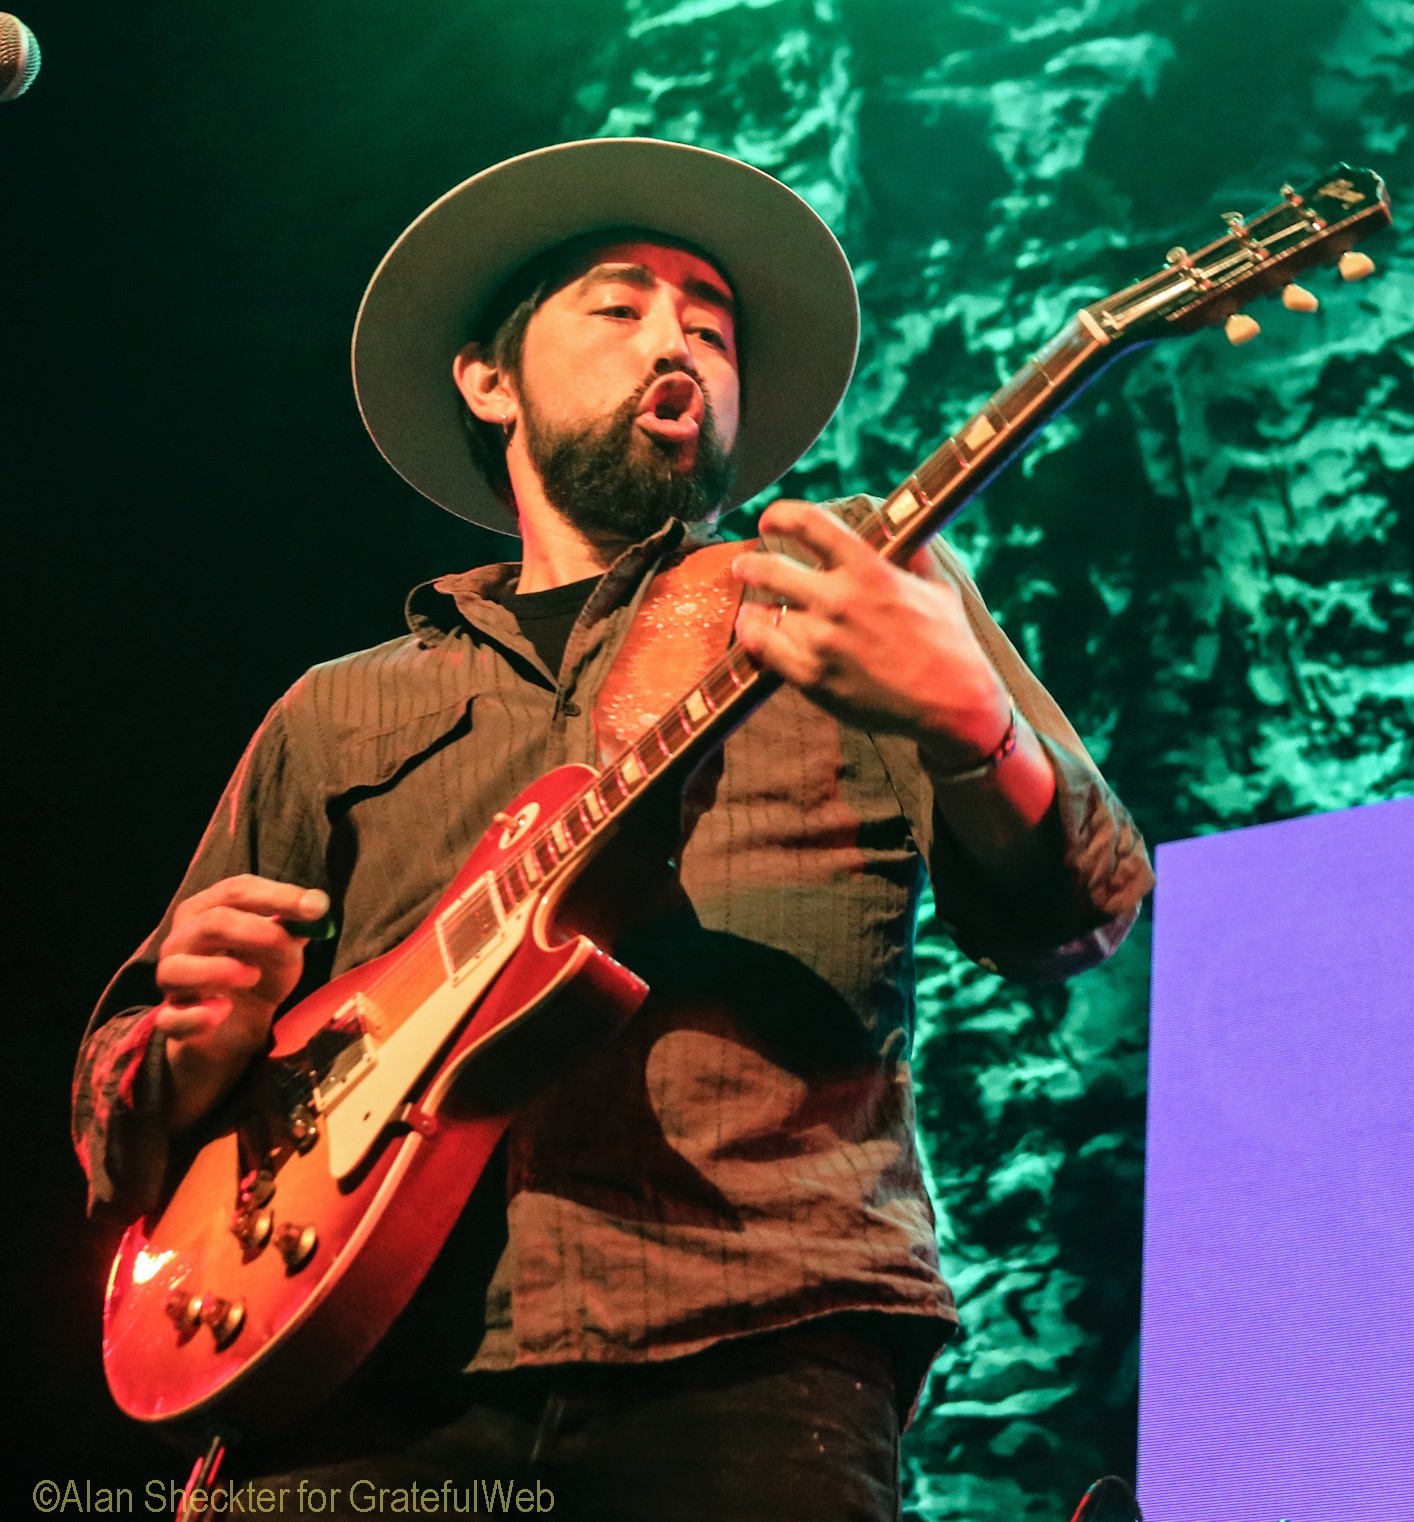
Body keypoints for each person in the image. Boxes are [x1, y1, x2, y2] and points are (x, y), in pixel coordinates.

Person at [72, 138, 1153, 1520]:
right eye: (620, 304)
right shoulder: (331, 716)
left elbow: (1087, 904)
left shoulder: (852, 605)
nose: (677, 341)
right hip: (360, 1377)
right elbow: (116, 1087)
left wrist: (965, 717)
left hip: (758, 1342)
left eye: (711, 326)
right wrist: (179, 1056)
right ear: (487, 378)